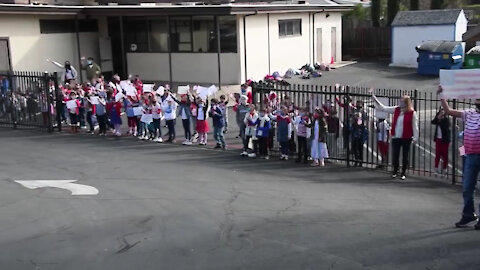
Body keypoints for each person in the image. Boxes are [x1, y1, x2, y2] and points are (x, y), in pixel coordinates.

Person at [438, 86, 480, 229]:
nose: (477, 100)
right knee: (467, 187)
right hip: (470, 155)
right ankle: (468, 214)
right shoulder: (469, 113)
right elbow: (449, 111)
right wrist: (442, 96)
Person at [373, 94, 419, 180]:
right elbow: (384, 108)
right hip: (396, 136)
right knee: (395, 155)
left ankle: (403, 172)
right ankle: (395, 171)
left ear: (406, 103)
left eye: (402, 101)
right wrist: (376, 100)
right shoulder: (396, 109)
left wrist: (415, 138)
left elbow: (415, 126)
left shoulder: (412, 113)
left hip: (406, 137)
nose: (400, 102)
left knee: (405, 156)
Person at [431, 108, 451, 176]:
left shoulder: (446, 120)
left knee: (444, 154)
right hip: (438, 139)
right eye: (440, 113)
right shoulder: (438, 119)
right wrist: (438, 118)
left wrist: (440, 120)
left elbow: (445, 127)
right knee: (438, 154)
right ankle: (436, 168)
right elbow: (433, 122)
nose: (441, 114)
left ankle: (444, 168)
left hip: (445, 140)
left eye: (442, 113)